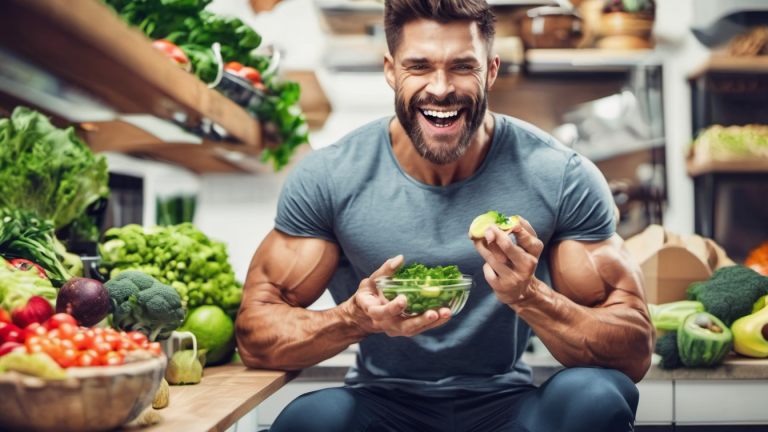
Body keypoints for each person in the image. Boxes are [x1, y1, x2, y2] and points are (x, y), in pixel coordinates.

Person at [235, 0, 656, 430]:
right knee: (308, 421)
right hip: (381, 405)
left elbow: (632, 350)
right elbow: (255, 333)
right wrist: (354, 319)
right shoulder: (328, 177)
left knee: (596, 398)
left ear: (490, 70)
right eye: (418, 66)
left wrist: (528, 295)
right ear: (390, 69)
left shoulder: (560, 175)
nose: (440, 88)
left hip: (506, 405)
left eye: (462, 67)